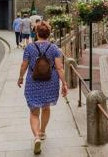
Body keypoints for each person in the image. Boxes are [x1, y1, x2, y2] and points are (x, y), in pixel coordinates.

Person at [17, 21, 68, 155]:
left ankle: (36, 137)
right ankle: (43, 131)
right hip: (50, 82)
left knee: (34, 112)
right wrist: (65, 84)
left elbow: (24, 65)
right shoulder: (54, 48)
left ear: (37, 33)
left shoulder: (29, 48)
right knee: (46, 107)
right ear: (49, 33)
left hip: (33, 82)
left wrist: (20, 77)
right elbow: (59, 67)